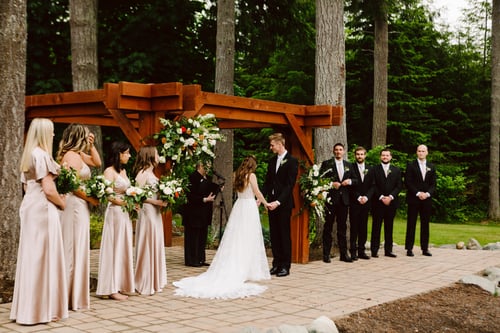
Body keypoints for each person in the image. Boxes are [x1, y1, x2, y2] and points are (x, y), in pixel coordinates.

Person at [173, 155, 271, 299]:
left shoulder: (237, 175)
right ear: (253, 165)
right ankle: (247, 268)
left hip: (240, 206)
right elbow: (257, 192)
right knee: (248, 237)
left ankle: (240, 265)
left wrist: (253, 200)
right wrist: (265, 203)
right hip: (248, 208)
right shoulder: (252, 176)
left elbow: (242, 193)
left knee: (237, 237)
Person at [10, 118, 69, 324]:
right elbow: (48, 188)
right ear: (44, 133)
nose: (53, 135)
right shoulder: (42, 155)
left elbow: (27, 188)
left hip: (29, 206)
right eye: (51, 131)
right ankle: (42, 309)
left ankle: (28, 309)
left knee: (32, 256)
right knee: (44, 256)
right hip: (43, 209)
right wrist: (62, 204)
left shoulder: (29, 154)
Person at [56, 123, 101, 311]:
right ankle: (67, 296)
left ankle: (75, 294)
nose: (87, 139)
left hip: (80, 206)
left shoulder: (78, 154)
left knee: (78, 246)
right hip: (74, 206)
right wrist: (90, 198)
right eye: (86, 137)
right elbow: (72, 186)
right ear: (78, 137)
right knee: (72, 248)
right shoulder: (71, 156)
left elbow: (97, 163)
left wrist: (92, 145)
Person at [96, 141, 135, 301]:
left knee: (123, 248)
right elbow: (108, 195)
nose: (129, 155)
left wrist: (134, 198)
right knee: (114, 248)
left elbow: (128, 191)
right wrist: (124, 202)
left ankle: (121, 283)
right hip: (115, 214)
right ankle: (110, 287)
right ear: (119, 154)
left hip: (124, 214)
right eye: (126, 153)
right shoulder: (109, 172)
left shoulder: (124, 171)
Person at [262, 133, 298, 277]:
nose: (271, 148)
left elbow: (290, 185)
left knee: (284, 234)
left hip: (283, 204)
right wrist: (261, 198)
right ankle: (276, 264)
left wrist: (278, 202)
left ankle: (285, 266)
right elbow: (268, 182)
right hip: (270, 203)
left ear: (280, 144)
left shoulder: (292, 161)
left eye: (272, 145)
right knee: (274, 234)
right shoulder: (272, 161)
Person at [133, 146, 168, 295]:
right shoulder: (142, 173)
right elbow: (137, 196)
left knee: (155, 241)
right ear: (150, 156)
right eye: (157, 153)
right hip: (147, 212)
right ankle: (144, 279)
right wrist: (156, 203)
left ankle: (155, 278)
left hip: (155, 212)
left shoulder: (152, 173)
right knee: (148, 242)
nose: (159, 156)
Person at [319, 143, 358, 263]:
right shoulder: (327, 164)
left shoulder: (349, 165)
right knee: (328, 227)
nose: (338, 152)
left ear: (344, 151)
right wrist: (331, 184)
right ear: (333, 151)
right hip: (330, 200)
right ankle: (326, 254)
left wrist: (350, 181)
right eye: (336, 150)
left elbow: (356, 180)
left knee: (342, 228)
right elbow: (320, 180)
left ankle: (343, 254)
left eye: (340, 150)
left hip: (344, 201)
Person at [181, 161, 216, 267]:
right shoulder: (192, 177)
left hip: (204, 212)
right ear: (200, 166)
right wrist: (204, 199)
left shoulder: (208, 178)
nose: (209, 168)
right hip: (193, 212)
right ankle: (192, 259)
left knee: (202, 235)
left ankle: (201, 258)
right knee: (193, 236)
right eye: (207, 166)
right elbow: (190, 195)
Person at [404, 144, 436, 257]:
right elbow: (408, 182)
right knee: (411, 223)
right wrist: (418, 193)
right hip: (414, 198)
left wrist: (427, 194)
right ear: (416, 152)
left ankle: (425, 248)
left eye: (423, 151)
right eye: (419, 151)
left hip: (426, 200)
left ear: (427, 152)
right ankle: (409, 248)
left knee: (425, 224)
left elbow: (433, 184)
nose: (421, 153)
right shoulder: (411, 165)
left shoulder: (431, 166)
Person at [370, 148, 402, 258]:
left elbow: (399, 186)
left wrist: (390, 197)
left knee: (389, 227)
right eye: (383, 155)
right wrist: (382, 197)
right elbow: (373, 185)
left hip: (391, 203)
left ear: (391, 157)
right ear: (380, 157)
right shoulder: (374, 169)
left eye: (387, 155)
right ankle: (374, 250)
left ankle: (388, 250)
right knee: (376, 227)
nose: (385, 157)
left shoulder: (396, 170)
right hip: (378, 202)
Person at [349, 146, 374, 260]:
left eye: (362, 154)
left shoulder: (370, 168)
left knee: (363, 227)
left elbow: (373, 185)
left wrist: (367, 197)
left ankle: (361, 251)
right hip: (355, 201)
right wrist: (358, 197)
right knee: (354, 227)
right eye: (358, 154)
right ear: (355, 156)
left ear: (365, 155)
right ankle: (353, 251)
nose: (360, 156)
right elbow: (351, 186)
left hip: (366, 202)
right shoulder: (350, 168)